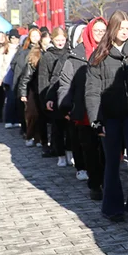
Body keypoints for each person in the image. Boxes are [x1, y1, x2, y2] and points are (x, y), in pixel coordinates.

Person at [86, 11, 128, 223]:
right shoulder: (99, 56)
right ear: (113, 28)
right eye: (121, 27)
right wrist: (96, 120)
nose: (125, 31)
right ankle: (112, 207)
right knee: (112, 163)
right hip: (110, 118)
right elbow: (92, 91)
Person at [59, 19, 106, 196]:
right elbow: (65, 83)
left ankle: (106, 181)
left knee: (107, 151)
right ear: (88, 32)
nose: (100, 34)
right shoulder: (77, 55)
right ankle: (95, 184)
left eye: (103, 30)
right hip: (84, 112)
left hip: (107, 110)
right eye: (97, 31)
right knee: (90, 150)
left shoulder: (112, 51)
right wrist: (65, 106)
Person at [37, 27, 71, 167]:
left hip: (67, 93)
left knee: (70, 127)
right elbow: (43, 78)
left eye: (62, 39)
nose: (60, 42)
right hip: (53, 93)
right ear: (52, 40)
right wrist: (45, 98)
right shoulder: (47, 56)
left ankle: (70, 152)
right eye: (57, 40)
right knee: (57, 128)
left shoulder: (70, 52)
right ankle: (60, 154)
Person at [17, 33, 45, 149]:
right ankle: (30, 136)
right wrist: (23, 93)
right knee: (33, 115)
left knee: (42, 116)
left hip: (45, 89)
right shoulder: (34, 55)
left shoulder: (50, 53)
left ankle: (40, 139)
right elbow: (26, 76)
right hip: (34, 89)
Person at [0, 30, 20, 127]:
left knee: (18, 99)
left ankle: (17, 119)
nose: (15, 40)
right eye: (13, 38)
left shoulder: (20, 48)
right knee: (10, 99)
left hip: (17, 76)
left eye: (16, 38)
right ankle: (9, 120)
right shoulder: (4, 49)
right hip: (7, 77)